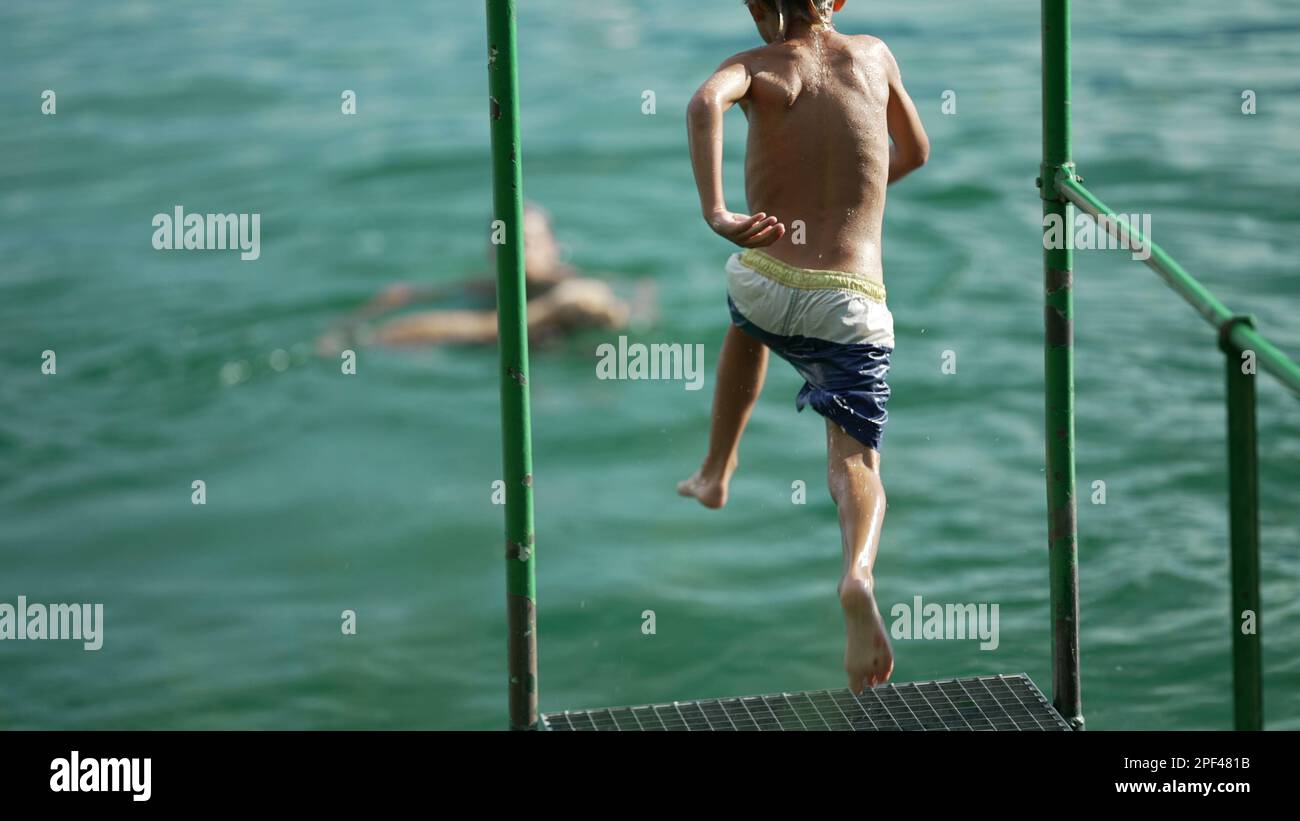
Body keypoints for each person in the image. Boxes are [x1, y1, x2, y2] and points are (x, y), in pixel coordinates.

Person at [676, 0, 929, 694]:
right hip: (849, 301)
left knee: (748, 321)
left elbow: (704, 106)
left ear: (758, 6)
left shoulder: (754, 68)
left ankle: (716, 470)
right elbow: (916, 151)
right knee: (854, 460)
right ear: (839, 1)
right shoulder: (874, 56)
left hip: (764, 275)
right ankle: (857, 575)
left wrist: (718, 212)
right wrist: (861, 196)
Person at [318, 203, 639, 350]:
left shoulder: (573, 288)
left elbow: (625, 306)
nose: (516, 254)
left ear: (554, 248)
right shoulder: (486, 287)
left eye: (527, 243)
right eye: (504, 244)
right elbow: (402, 293)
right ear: (490, 253)